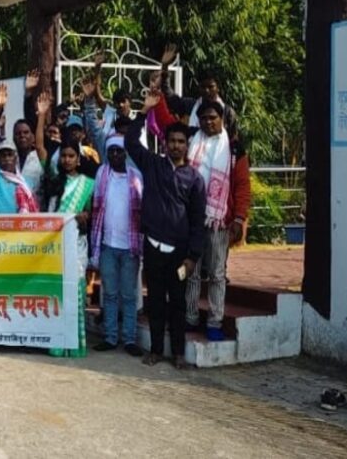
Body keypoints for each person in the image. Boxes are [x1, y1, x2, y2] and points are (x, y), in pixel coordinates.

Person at [127, 90, 207, 369]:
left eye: (180, 142)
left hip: (180, 254)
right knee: (156, 302)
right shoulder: (153, 165)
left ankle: (178, 354)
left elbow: (198, 220)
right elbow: (130, 143)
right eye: (171, 141)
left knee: (178, 304)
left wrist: (192, 256)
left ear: (187, 145)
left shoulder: (195, 180)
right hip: (153, 245)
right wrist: (142, 112)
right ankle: (157, 351)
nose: (175, 145)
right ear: (164, 142)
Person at [183, 100, 251, 341]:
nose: (208, 122)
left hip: (219, 221)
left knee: (216, 274)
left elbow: (242, 186)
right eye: (204, 118)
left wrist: (239, 217)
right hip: (192, 219)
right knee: (190, 271)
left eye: (213, 117)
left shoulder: (233, 150)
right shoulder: (190, 142)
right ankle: (190, 318)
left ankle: (214, 321)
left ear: (222, 119)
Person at [91, 136, 145, 357]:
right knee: (110, 294)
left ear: (126, 154)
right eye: (111, 151)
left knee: (129, 295)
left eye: (119, 151)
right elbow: (96, 207)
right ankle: (111, 337)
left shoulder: (136, 177)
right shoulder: (102, 175)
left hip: (130, 245)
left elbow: (142, 212)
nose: (115, 155)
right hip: (107, 244)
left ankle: (129, 339)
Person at [44, 139, 95, 358]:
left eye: (71, 156)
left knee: (75, 289)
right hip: (55, 243)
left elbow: (91, 213)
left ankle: (75, 343)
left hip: (77, 243)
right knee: (57, 290)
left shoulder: (88, 184)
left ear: (78, 159)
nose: (67, 160)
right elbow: (50, 213)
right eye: (63, 156)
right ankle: (57, 342)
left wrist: (85, 217)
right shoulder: (54, 183)